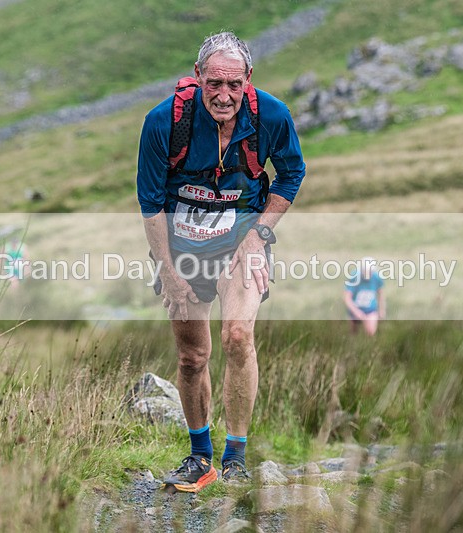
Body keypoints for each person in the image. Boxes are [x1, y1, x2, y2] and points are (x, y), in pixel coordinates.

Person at [136, 31, 305, 492]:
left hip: (240, 244)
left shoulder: (271, 114)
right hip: (181, 249)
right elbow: (150, 203)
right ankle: (200, 457)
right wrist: (168, 272)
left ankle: (235, 457)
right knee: (193, 357)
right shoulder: (162, 123)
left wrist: (259, 236)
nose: (224, 95)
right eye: (214, 83)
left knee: (237, 335)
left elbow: (292, 172)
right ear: (198, 78)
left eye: (234, 84)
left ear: (248, 80)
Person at [343, 257, 385, 336]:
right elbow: (347, 298)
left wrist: (381, 310)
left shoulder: (377, 278)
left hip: (370, 309)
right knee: (353, 334)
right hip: (355, 309)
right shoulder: (354, 277)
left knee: (371, 332)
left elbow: (380, 295)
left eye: (370, 272)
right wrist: (356, 312)